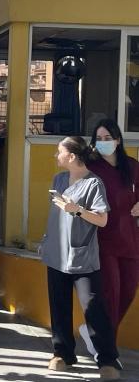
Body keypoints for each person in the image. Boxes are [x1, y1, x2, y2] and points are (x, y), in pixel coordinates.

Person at [41, 136, 120, 381]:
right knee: (59, 306)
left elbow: (102, 220)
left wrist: (77, 210)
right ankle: (62, 353)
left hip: (82, 257)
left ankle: (107, 359)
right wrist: (46, 241)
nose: (56, 156)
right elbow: (55, 216)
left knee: (93, 308)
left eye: (59, 152)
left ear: (72, 156)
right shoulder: (59, 179)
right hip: (56, 254)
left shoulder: (94, 183)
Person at [87, 119, 139, 347]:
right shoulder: (92, 169)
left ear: (118, 140)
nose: (103, 142)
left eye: (108, 138)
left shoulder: (132, 167)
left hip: (130, 239)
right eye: (99, 139)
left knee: (128, 291)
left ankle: (97, 333)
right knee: (111, 294)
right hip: (103, 240)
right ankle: (107, 349)